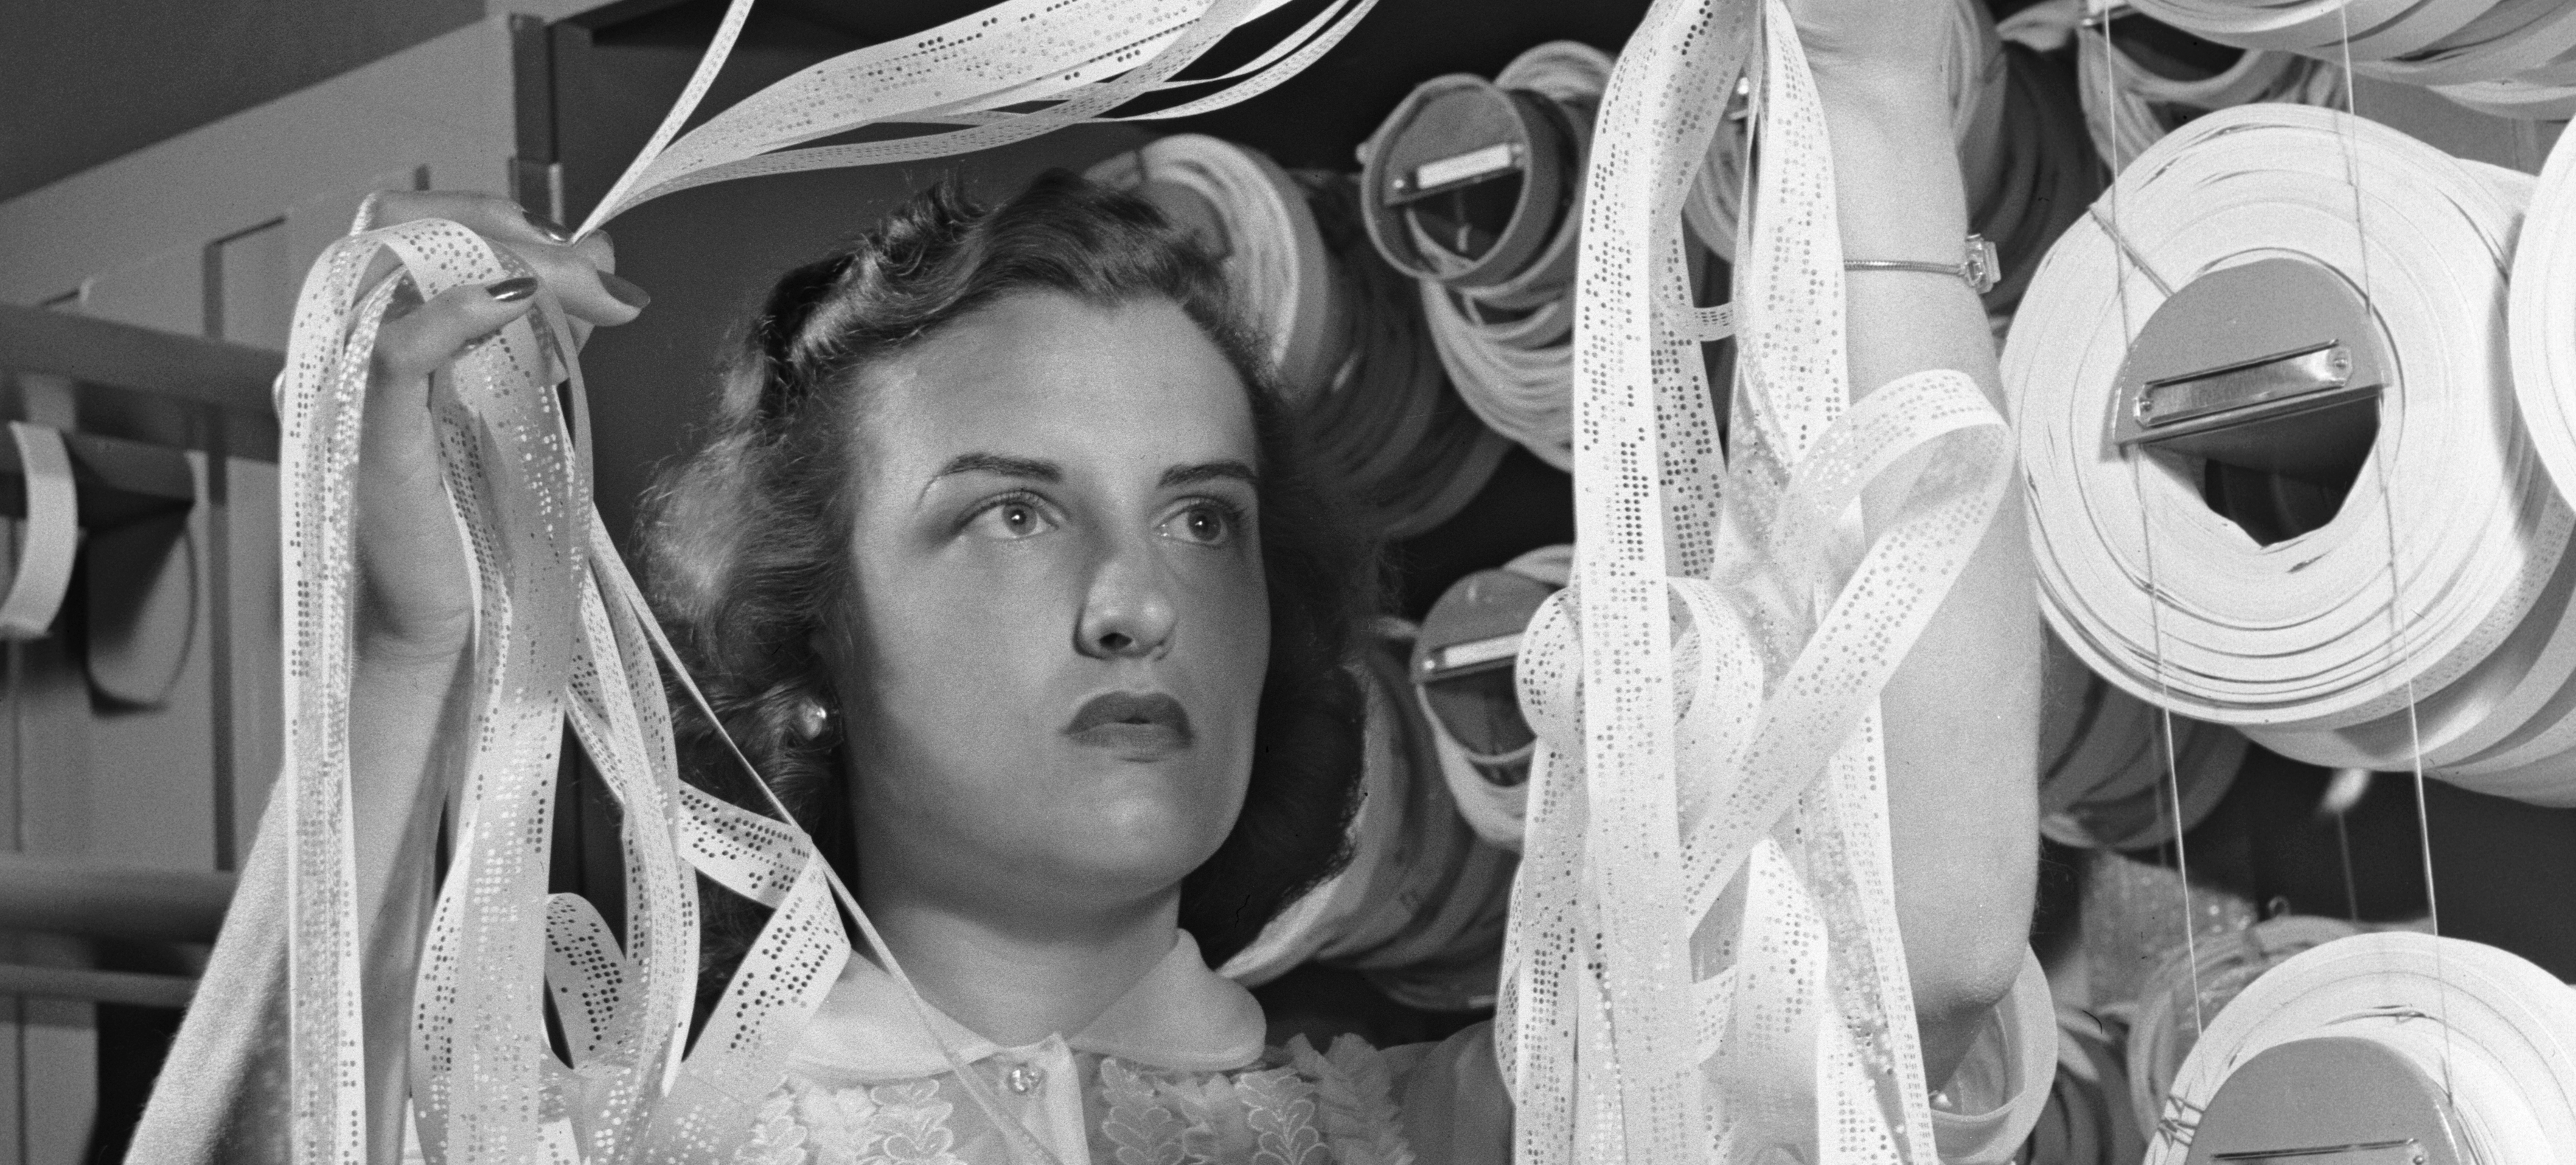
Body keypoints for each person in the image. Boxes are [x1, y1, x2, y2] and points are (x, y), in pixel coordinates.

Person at [133, 0, 2048, 1161]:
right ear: (810, 643)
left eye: (1204, 517)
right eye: (1010, 513)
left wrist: (1872, 105)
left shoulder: (1444, 1138)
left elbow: (1915, 964)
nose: (1138, 601)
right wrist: (407, 639)